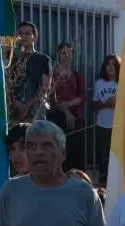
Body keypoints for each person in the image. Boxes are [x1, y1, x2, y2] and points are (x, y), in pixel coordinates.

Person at [49, 42, 86, 171]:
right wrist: (65, 112)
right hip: (57, 119)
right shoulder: (53, 77)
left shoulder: (77, 76)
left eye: (69, 53)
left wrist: (68, 105)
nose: (67, 56)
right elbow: (51, 99)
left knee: (76, 151)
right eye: (63, 53)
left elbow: (82, 97)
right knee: (59, 149)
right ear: (58, 55)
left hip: (76, 119)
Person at [6, 21, 52, 122]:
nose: (23, 36)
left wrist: (27, 106)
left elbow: (45, 87)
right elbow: (8, 85)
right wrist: (16, 104)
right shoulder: (12, 60)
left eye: (27, 33)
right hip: (14, 112)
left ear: (35, 37)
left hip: (35, 113)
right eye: (20, 33)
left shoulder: (43, 59)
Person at [93, 54, 120, 183]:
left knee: (117, 155)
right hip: (102, 125)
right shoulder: (99, 83)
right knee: (103, 156)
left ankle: (116, 181)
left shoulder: (122, 84)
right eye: (108, 64)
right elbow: (94, 104)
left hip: (118, 126)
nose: (110, 67)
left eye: (113, 64)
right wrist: (107, 104)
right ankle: (103, 182)